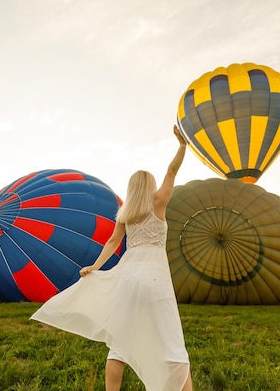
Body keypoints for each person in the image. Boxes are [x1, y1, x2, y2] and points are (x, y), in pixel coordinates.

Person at [31, 125, 193, 391]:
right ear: (150, 187)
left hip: (129, 278)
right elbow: (172, 171)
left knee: (119, 345)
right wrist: (182, 146)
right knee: (171, 344)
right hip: (155, 279)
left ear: (131, 188)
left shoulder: (125, 211)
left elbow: (113, 241)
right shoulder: (160, 201)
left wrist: (95, 266)